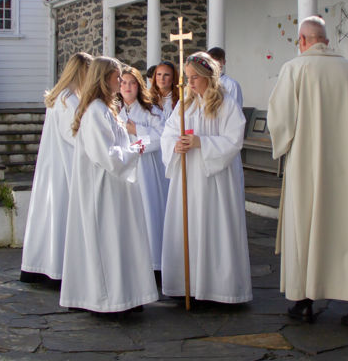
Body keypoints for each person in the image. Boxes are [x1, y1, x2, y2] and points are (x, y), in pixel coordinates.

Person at [267, 16, 348, 325]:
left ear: (302, 40)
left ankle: (304, 301)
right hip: (346, 163)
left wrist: (282, 145)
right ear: (325, 39)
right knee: (345, 229)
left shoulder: (295, 68)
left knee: (306, 227)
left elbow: (280, 120)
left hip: (307, 165)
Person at [60, 56, 158, 313]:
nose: (121, 80)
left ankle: (125, 294)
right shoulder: (94, 112)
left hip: (115, 187)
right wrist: (137, 149)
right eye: (116, 76)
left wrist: (132, 147)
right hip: (102, 189)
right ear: (104, 79)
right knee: (107, 241)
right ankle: (108, 298)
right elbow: (108, 156)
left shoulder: (107, 110)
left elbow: (116, 148)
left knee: (120, 240)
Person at [160, 51, 252, 304]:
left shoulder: (225, 104)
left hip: (215, 180)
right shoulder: (184, 104)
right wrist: (174, 146)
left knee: (214, 225)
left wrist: (203, 143)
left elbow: (234, 140)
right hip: (188, 175)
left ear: (208, 77)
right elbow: (168, 133)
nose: (189, 83)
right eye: (187, 78)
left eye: (194, 78)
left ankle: (218, 287)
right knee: (189, 225)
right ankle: (186, 285)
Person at [20, 52, 92, 284]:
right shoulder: (67, 99)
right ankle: (57, 268)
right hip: (64, 165)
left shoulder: (64, 97)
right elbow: (74, 133)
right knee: (61, 213)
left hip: (58, 163)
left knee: (54, 214)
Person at [118, 66, 168, 273]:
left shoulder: (151, 111)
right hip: (124, 168)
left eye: (132, 83)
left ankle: (153, 263)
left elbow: (161, 137)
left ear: (139, 86)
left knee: (148, 211)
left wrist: (135, 133)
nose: (127, 87)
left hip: (145, 169)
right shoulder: (115, 111)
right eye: (123, 83)